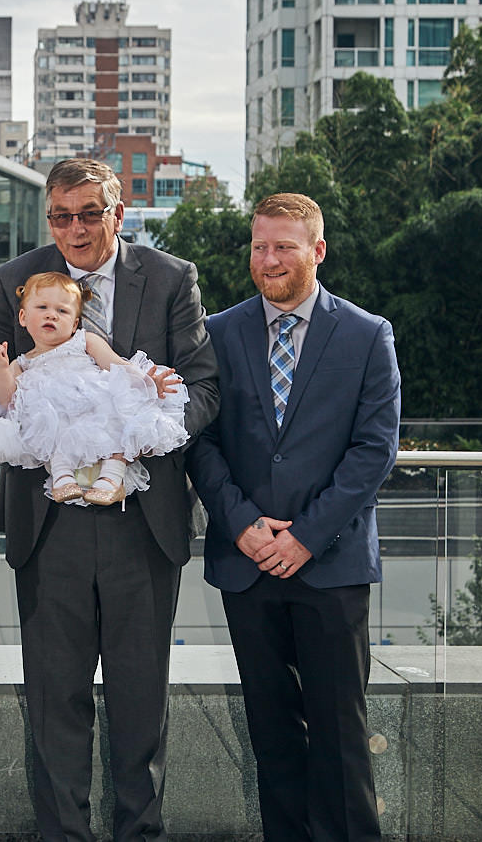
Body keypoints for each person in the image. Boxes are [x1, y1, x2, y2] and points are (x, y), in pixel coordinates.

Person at [0, 157, 219, 842]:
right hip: (48, 520)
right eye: (61, 216)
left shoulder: (171, 278)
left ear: (118, 212)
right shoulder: (11, 279)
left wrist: (140, 430)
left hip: (140, 521)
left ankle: (140, 833)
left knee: (140, 698)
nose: (76, 229)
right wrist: (44, 435)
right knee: (54, 697)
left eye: (90, 213)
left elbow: (205, 387)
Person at [186, 193, 400, 842]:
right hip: (247, 562)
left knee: (341, 735)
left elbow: (374, 450)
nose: (269, 259)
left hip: (331, 564)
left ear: (318, 250)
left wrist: (305, 536)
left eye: (283, 246)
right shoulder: (217, 333)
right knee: (272, 734)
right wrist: (244, 525)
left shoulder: (367, 334)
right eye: (259, 246)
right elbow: (200, 441)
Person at [0, 271, 189, 507]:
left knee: (120, 419)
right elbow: (6, 400)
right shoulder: (23, 363)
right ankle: (62, 476)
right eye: (42, 307)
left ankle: (112, 477)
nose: (52, 315)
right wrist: (2, 368)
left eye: (62, 311)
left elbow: (117, 365)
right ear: (23, 317)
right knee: (45, 423)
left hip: (95, 405)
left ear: (74, 324)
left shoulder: (85, 341)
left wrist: (146, 382)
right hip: (54, 416)